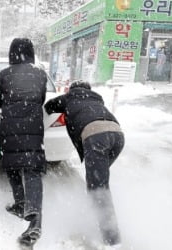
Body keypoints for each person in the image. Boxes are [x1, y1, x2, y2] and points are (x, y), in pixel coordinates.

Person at [44, 80, 124, 247]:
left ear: (71, 90)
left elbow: (49, 105)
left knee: (98, 188)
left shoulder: (68, 98)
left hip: (96, 137)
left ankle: (112, 240)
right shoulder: (97, 98)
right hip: (117, 136)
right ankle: (96, 213)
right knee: (97, 181)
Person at [0, 38, 47, 246]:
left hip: (10, 126)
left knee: (12, 165)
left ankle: (20, 203)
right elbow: (41, 98)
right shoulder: (40, 73)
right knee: (32, 169)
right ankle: (34, 216)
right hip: (34, 126)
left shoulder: (4, 74)